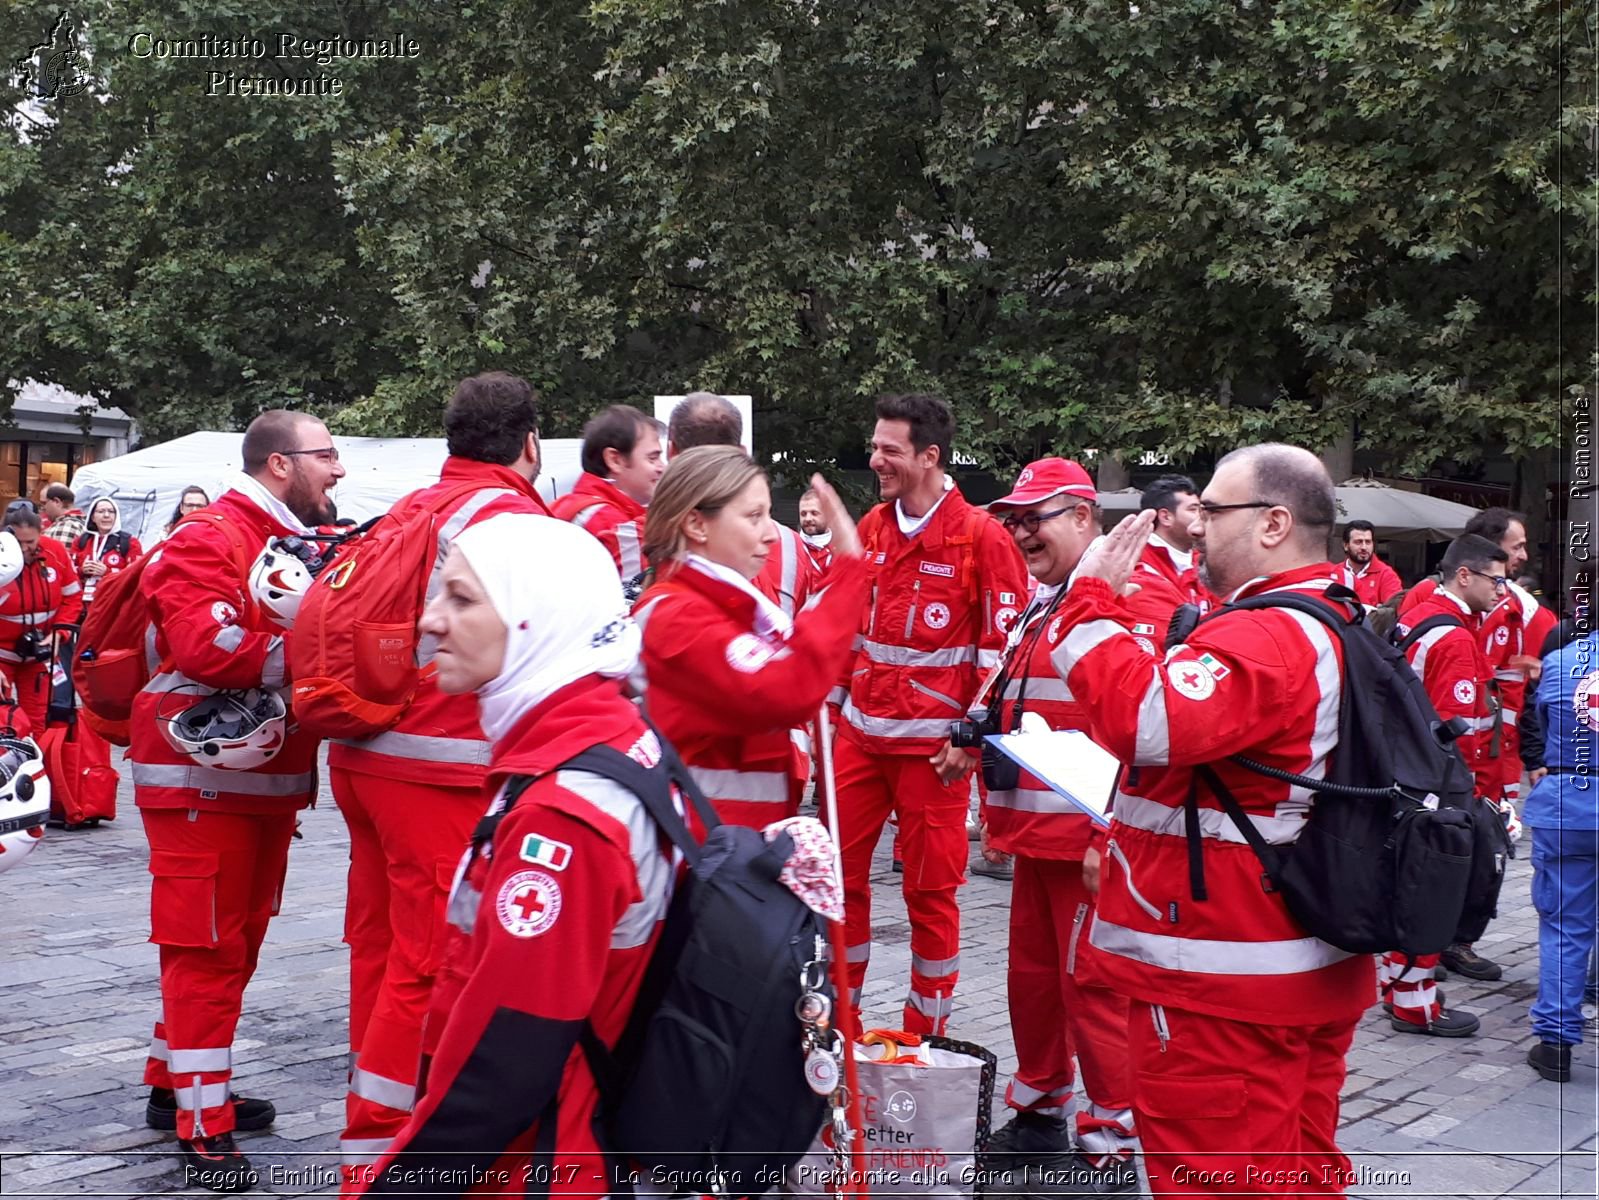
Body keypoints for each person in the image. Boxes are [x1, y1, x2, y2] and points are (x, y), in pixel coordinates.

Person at [1050, 444, 1374, 1198]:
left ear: (1272, 524)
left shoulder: (1266, 632)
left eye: (1212, 510)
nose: (1194, 526)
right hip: (1297, 966)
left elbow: (1147, 720)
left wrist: (1087, 599)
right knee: (1298, 1173)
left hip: (1223, 983)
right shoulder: (1336, 616)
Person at [347, 513, 667, 1197]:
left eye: (461, 599)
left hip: (539, 1168)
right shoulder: (604, 733)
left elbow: (506, 1060)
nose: (430, 621)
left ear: (534, 619)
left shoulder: (561, 817)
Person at [325, 373, 557, 1181]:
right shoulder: (511, 520)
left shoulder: (415, 506)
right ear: (530, 443)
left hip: (367, 756)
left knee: (379, 953)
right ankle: (386, 1160)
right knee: (424, 967)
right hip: (439, 769)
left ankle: (370, 1135)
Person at [133, 409, 344, 1191]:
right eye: (328, 454)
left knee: (233, 941)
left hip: (245, 785)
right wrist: (327, 656)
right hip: (201, 782)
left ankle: (175, 1084)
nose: (340, 470)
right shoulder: (213, 536)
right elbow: (205, 647)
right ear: (282, 464)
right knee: (207, 952)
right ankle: (201, 1124)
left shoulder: (266, 536)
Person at [831, 393, 1030, 1035]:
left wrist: (972, 738)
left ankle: (924, 1036)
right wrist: (831, 720)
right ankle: (840, 1023)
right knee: (836, 885)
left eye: (889, 450)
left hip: (932, 756)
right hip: (859, 741)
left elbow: (1002, 651)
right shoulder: (870, 530)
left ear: (930, 457)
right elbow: (845, 638)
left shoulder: (981, 538)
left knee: (930, 895)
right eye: (875, 446)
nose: (876, 460)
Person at [978, 458, 1143, 1190]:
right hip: (1037, 840)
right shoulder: (1046, 600)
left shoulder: (1126, 600)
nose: (1018, 532)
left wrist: (1111, 835)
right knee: (1035, 983)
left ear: (1082, 516)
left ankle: (1111, 1139)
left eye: (1031, 517)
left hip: (1086, 842)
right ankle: (1041, 1109)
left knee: (1095, 992)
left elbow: (1146, 730)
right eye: (1011, 519)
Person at [635, 447, 867, 828]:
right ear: (697, 525)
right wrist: (847, 575)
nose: (770, 535)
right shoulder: (674, 613)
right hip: (701, 851)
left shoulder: (726, 604)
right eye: (753, 517)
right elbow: (785, 688)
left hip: (728, 845)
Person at [1404, 507, 1554, 980]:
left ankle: (1453, 941)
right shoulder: (1438, 608)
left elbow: (1536, 676)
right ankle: (1421, 951)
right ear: (1473, 564)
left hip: (1496, 758)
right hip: (1453, 763)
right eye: (1515, 548)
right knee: (1438, 854)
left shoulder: (1522, 609)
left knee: (1485, 855)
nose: (1521, 558)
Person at [1382, 535, 1511, 1037]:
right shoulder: (1454, 637)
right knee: (1431, 893)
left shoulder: (1421, 617)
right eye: (1495, 580)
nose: (1502, 590)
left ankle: (1398, 989)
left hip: (1408, 779)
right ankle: (1415, 1004)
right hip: (1438, 786)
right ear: (1465, 576)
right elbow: (1455, 730)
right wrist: (1471, 795)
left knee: (1409, 888)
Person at [1523, 613, 1599, 1082]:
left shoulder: (1560, 662)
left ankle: (1555, 1044)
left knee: (1565, 927)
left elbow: (1541, 722)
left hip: (1569, 800)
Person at [665, 391, 820, 617]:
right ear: (743, 453)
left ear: (671, 453)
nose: (767, 536)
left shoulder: (638, 538)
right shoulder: (790, 544)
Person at [550, 404, 665, 593]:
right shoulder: (612, 523)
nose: (662, 467)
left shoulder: (570, 505)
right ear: (615, 460)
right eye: (652, 458)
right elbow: (634, 603)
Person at [0, 509, 83, 729]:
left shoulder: (55, 552)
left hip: (39, 653)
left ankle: (38, 762)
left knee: (38, 719)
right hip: (2, 656)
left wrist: (59, 635)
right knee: (1, 718)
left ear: (41, 533)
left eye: (30, 541)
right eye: (18, 542)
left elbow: (73, 597)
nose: (25, 548)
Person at [1137, 474, 1210, 610]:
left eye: (1202, 510)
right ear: (1166, 517)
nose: (1203, 517)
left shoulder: (1207, 563)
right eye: (1193, 510)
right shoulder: (1134, 562)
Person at [72, 498, 143, 613]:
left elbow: (136, 576)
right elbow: (68, 573)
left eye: (111, 511)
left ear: (116, 516)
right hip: (81, 607)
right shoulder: (81, 541)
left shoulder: (129, 542)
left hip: (113, 607)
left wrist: (108, 572)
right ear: (93, 517)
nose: (106, 515)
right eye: (101, 511)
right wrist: (81, 570)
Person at [1338, 520, 1402, 607]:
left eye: (1368, 542)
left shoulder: (1386, 574)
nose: (1364, 547)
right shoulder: (1335, 573)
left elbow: (1394, 610)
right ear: (1346, 546)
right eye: (1358, 542)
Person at [798, 486, 834, 571]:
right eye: (803, 514)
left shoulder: (842, 551)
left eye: (814, 513)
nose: (808, 519)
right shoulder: (791, 549)